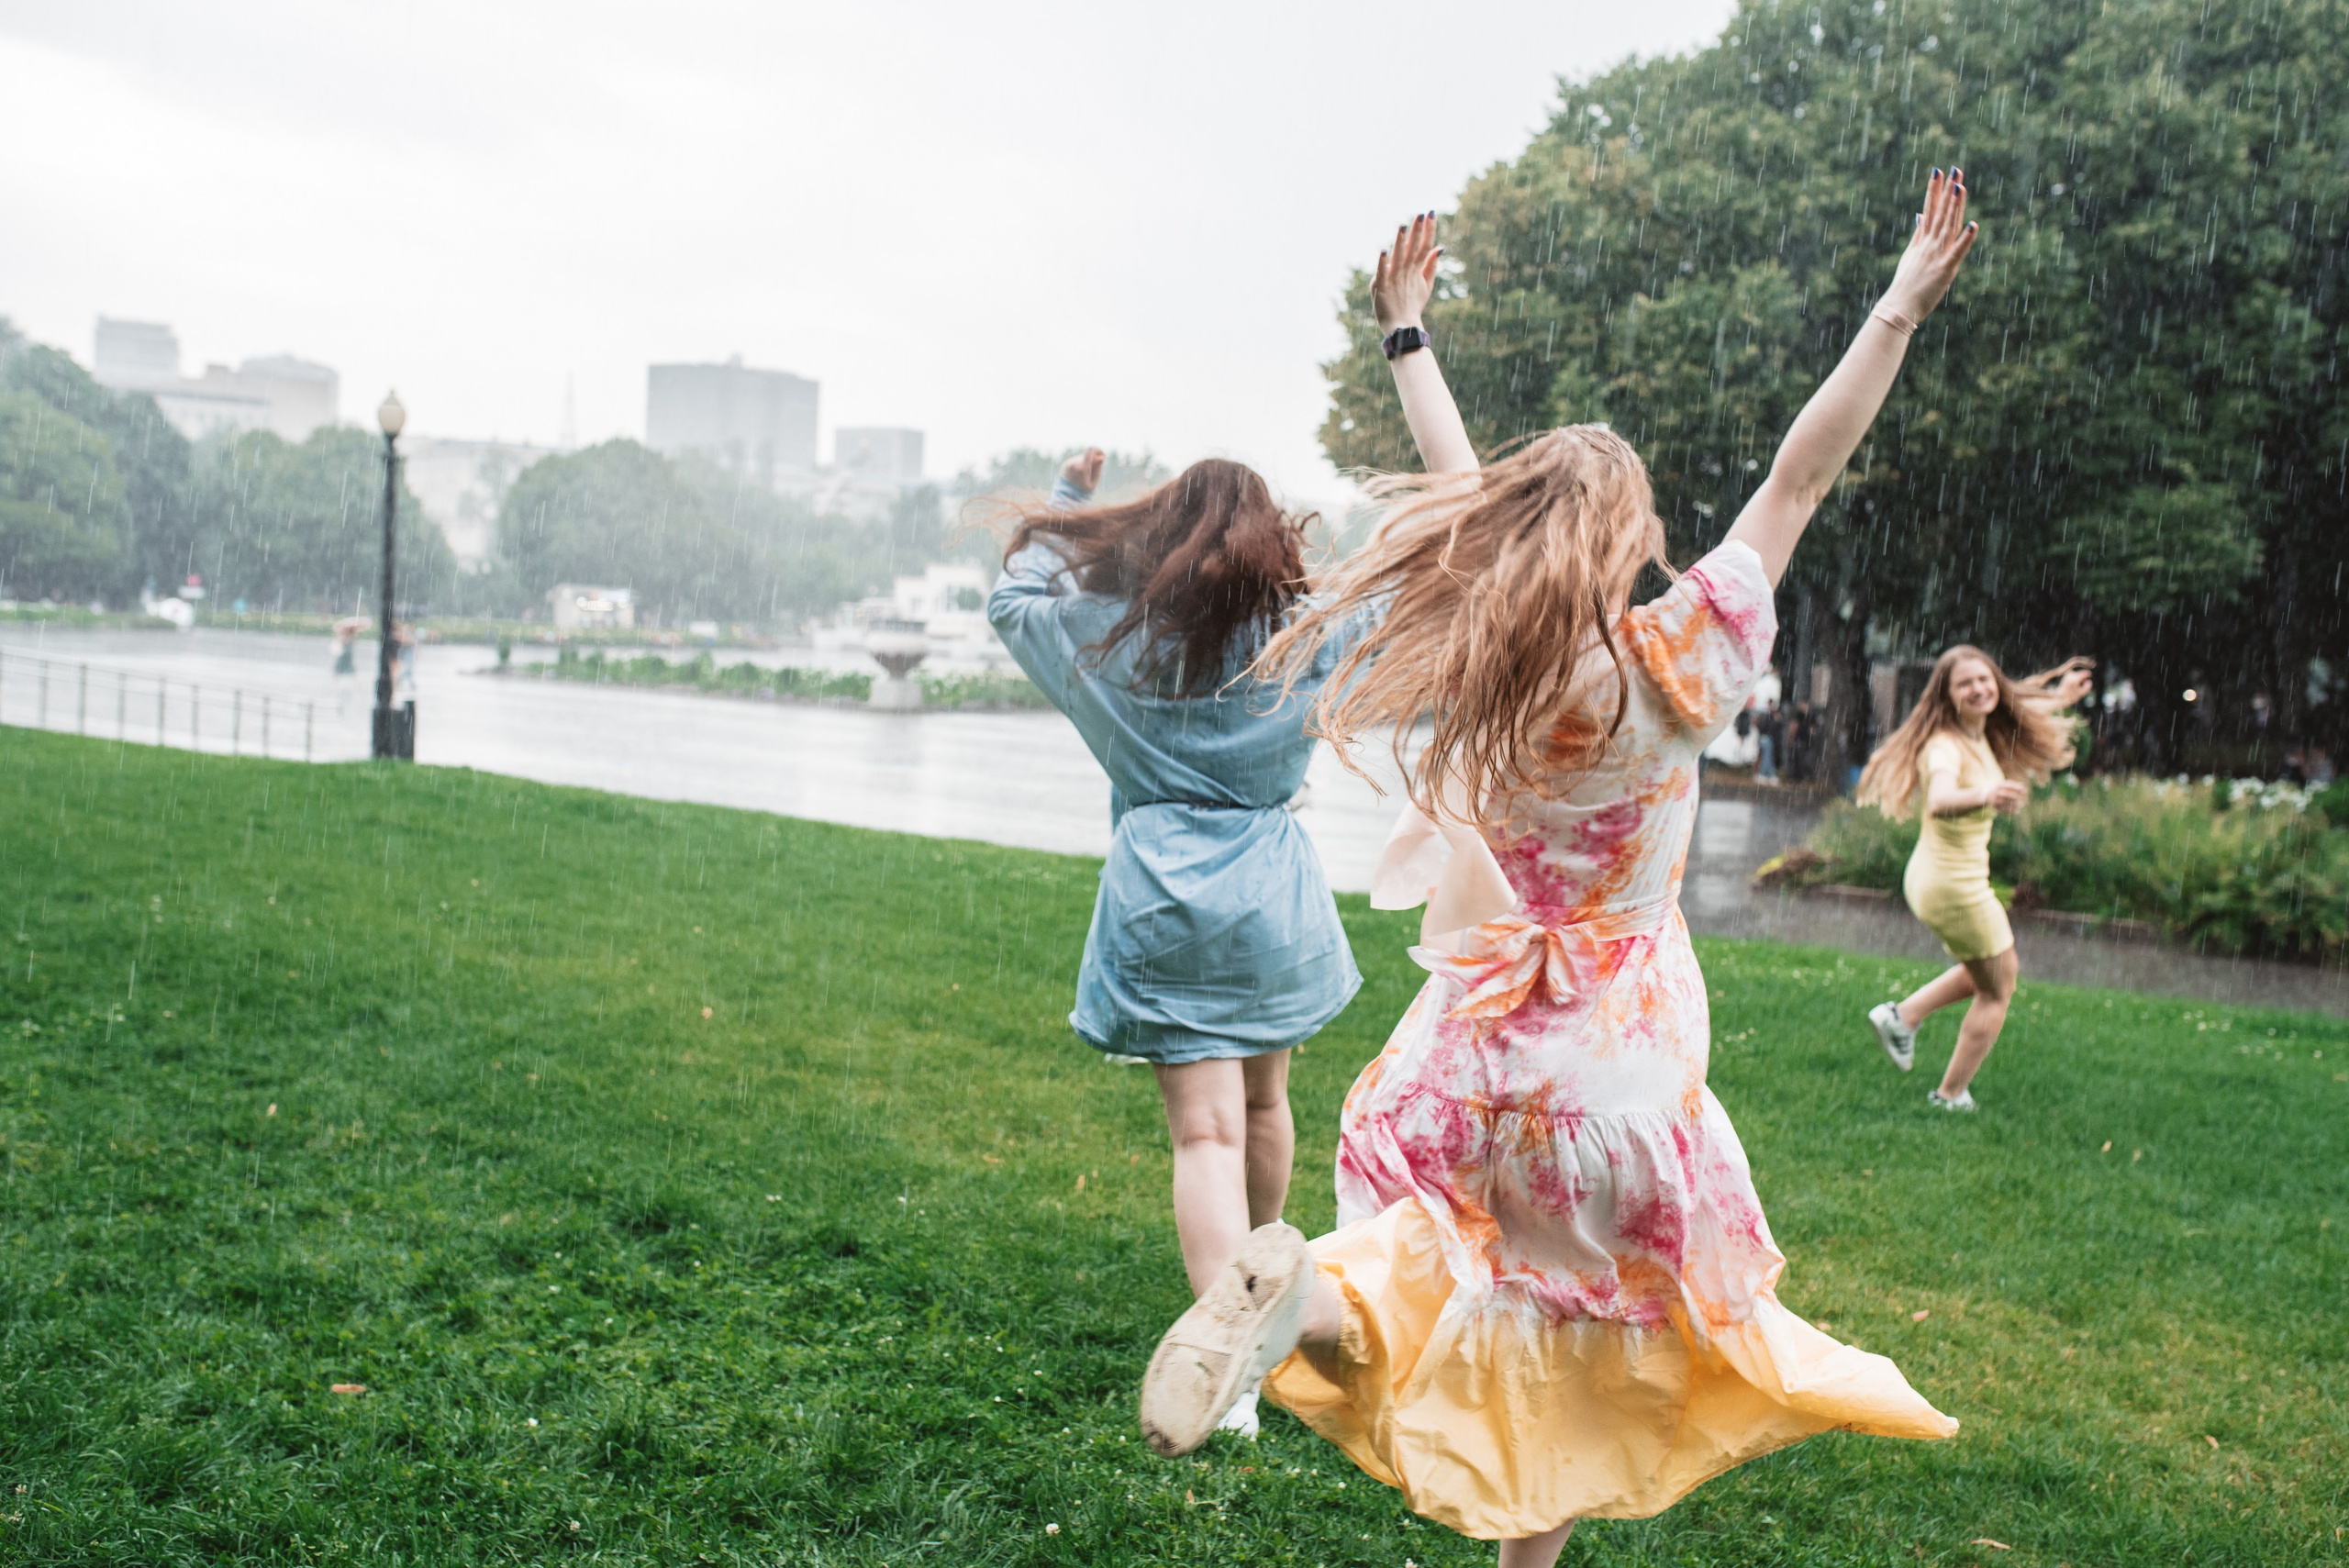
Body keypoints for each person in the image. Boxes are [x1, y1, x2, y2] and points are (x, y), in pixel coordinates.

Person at [1134, 172, 1978, 1564]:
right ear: (1629, 537)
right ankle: (1348, 1352)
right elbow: (1800, 475)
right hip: (1614, 1072)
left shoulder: (1490, 656)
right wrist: (1895, 309)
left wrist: (1408, 338)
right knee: (1582, 1342)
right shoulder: (1682, 661)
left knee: (1430, 1274)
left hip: (1472, 1052)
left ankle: (1302, 1300)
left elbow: (1461, 494)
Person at [986, 448, 1361, 1442]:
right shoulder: (1306, 638)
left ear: (1157, 536)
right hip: (1271, 899)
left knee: (1205, 1134)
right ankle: (1260, 1301)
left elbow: (1014, 601)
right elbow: (1394, 609)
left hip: (1164, 900)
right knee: (1266, 1104)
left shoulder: (1113, 640)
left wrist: (1069, 499)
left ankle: (1225, 1371)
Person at [1859, 649, 2093, 1109]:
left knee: (1985, 971)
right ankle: (1950, 1095)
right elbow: (1940, 799)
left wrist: (2061, 697)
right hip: (1953, 887)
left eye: (1984, 679)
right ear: (1947, 695)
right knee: (1999, 988)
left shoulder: (1976, 733)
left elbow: (2018, 708)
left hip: (1938, 879)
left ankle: (1902, 1017)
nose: (1978, 689)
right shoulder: (1945, 746)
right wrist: (1986, 793)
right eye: (1965, 683)